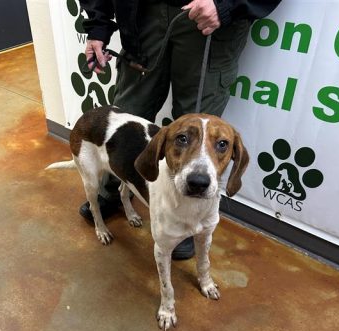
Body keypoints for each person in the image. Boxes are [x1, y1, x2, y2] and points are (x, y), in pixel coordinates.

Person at [78, 0, 281, 259]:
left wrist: (228, 5)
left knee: (200, 132)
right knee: (128, 117)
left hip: (211, 19)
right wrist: (98, 25)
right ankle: (111, 191)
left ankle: (185, 225)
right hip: (142, 15)